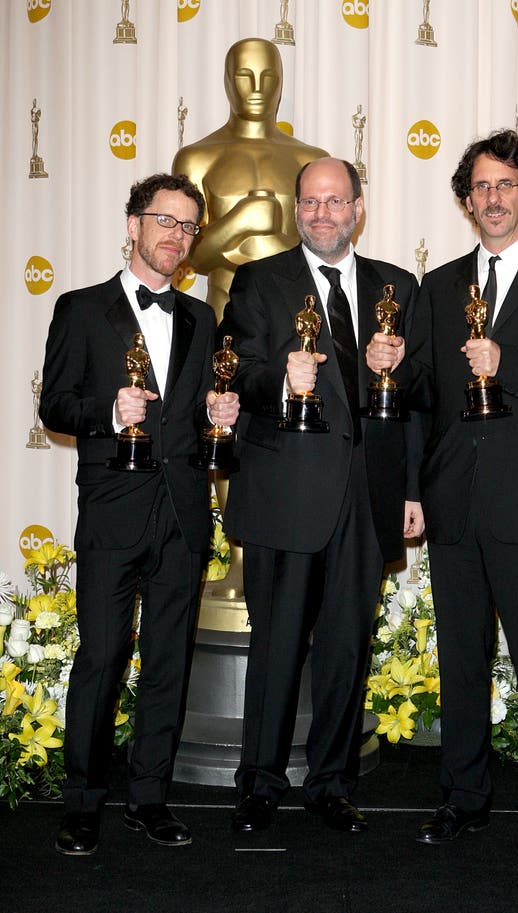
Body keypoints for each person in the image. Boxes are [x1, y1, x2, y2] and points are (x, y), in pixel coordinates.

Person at [367, 129, 518, 858]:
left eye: (507, 184)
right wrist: (390, 366)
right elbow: (421, 400)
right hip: (452, 502)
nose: (494, 198)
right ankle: (464, 797)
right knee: (461, 658)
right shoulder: (437, 286)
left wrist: (510, 362)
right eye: (481, 186)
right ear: (466, 200)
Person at [219, 157, 424, 834]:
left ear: (358, 208)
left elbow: (420, 398)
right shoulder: (259, 279)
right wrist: (281, 375)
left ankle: (332, 781)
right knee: (275, 644)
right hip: (286, 490)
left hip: (367, 497)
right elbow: (233, 373)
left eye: (335, 201)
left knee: (346, 646)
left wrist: (412, 489)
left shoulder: (399, 286)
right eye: (310, 202)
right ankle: (259, 783)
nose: (322, 214)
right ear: (295, 209)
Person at [40, 173, 240, 856]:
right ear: (133, 224)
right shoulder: (80, 309)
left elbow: (200, 418)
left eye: (188, 227)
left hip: (183, 515)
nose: (176, 237)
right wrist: (108, 413)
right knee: (100, 656)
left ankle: (149, 797)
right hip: (112, 514)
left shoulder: (201, 318)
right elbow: (56, 406)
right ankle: (84, 801)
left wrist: (221, 418)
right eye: (164, 221)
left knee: (167, 662)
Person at [172, 36, 328, 324]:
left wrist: (267, 241)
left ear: (280, 83)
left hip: (297, 307)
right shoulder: (197, 158)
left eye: (268, 77)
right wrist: (242, 220)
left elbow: (326, 247)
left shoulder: (310, 159)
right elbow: (190, 253)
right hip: (224, 307)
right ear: (228, 81)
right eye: (245, 76)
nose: (257, 89)